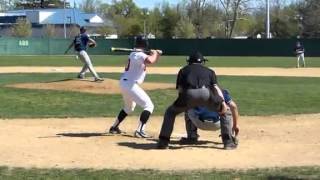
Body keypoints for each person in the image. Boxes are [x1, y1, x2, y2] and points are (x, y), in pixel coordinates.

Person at [157, 51, 236, 150]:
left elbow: (181, 90)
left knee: (170, 112)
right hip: (206, 94)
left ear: (189, 61)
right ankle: (228, 142)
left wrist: (183, 103)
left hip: (189, 94)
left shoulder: (183, 70)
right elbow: (216, 89)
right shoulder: (210, 71)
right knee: (226, 112)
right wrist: (223, 103)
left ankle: (163, 142)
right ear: (202, 62)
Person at [108, 35, 162, 138]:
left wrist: (157, 55)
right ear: (145, 44)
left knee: (129, 107)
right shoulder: (138, 55)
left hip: (126, 83)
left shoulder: (136, 54)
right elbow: (150, 60)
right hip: (130, 84)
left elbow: (152, 60)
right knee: (149, 105)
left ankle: (114, 127)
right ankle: (140, 130)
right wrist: (154, 53)